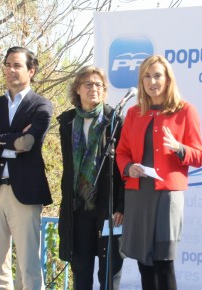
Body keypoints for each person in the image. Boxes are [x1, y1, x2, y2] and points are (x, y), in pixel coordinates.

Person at [116, 55, 202, 290]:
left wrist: (179, 149)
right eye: (147, 76)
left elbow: (199, 156)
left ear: (167, 79)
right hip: (138, 194)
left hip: (167, 196)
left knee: (163, 262)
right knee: (144, 263)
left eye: (157, 75)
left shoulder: (186, 111)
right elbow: (121, 152)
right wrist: (128, 168)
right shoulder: (134, 113)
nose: (152, 81)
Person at [0, 46, 53, 290]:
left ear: (31, 70)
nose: (10, 70)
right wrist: (9, 141)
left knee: (28, 268)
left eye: (17, 65)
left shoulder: (41, 106)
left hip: (25, 193)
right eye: (7, 64)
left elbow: (26, 144)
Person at [57, 66, 125, 290]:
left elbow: (122, 166)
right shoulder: (67, 122)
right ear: (77, 89)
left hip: (107, 208)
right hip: (78, 209)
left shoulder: (114, 120)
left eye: (98, 85)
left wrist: (121, 206)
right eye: (88, 84)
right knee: (81, 270)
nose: (93, 88)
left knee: (109, 271)